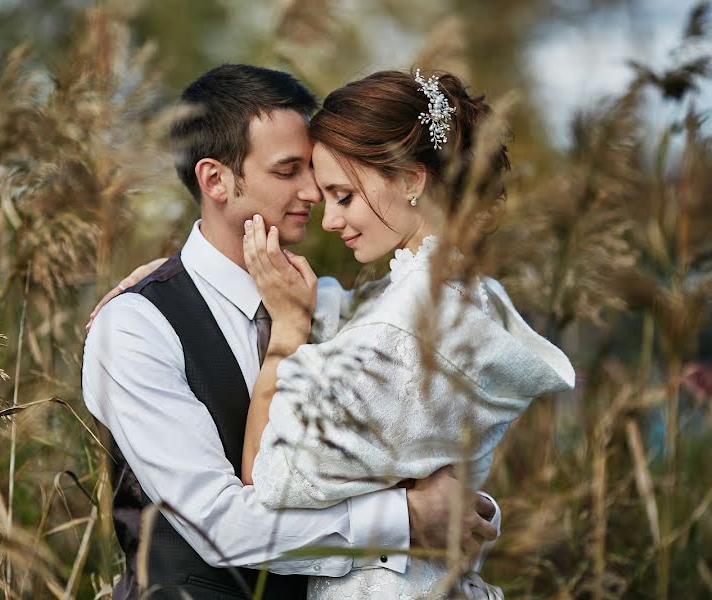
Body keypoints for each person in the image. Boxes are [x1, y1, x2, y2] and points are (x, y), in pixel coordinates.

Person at [82, 64, 498, 600]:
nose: (314, 191)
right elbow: (220, 526)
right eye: (288, 171)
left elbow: (424, 443)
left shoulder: (334, 305)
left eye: (313, 169)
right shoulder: (137, 326)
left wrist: (467, 510)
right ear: (215, 180)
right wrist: (407, 520)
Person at [237, 69, 576, 599]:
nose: (329, 219)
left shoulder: (403, 331)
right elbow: (342, 312)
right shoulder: (458, 294)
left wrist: (285, 332)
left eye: (343, 195)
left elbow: (271, 477)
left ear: (412, 179)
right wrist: (173, 278)